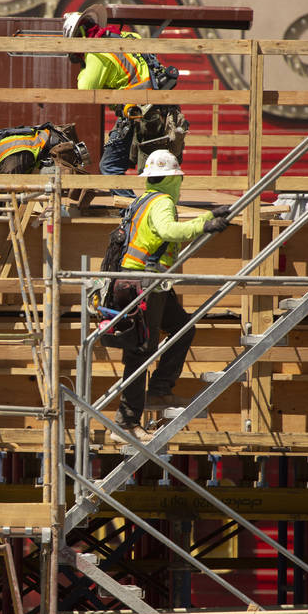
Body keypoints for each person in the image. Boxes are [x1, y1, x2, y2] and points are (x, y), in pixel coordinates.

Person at [110, 150, 232, 443]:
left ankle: (160, 390)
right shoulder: (162, 201)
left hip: (149, 283)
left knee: (182, 327)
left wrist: (207, 216)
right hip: (145, 283)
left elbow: (159, 228)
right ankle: (126, 423)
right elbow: (168, 230)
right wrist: (203, 225)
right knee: (141, 353)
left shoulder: (145, 199)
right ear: (173, 179)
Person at [63, 6, 187, 195]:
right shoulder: (129, 37)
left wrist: (84, 66)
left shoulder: (96, 53)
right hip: (162, 111)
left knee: (111, 167)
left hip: (138, 116)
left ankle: (130, 211)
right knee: (158, 167)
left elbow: (85, 90)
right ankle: (151, 209)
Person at [0, 124, 89, 175]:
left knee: (46, 180)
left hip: (57, 155)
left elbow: (8, 198)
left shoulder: (9, 162)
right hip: (38, 151)